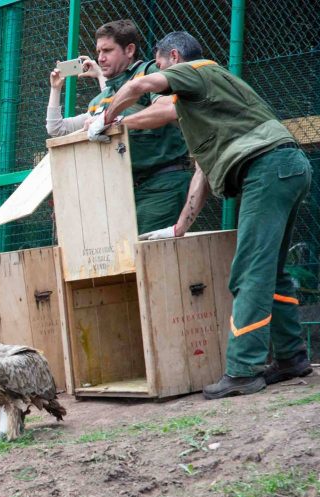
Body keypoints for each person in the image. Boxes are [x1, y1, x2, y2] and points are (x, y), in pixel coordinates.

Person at [100, 31, 313, 399]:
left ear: (172, 57)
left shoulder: (197, 69)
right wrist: (179, 227)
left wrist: (107, 116)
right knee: (272, 271)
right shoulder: (203, 108)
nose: (159, 75)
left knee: (249, 271)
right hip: (285, 169)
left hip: (269, 169)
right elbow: (202, 171)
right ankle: (292, 358)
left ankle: (243, 370)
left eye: (161, 62)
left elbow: (143, 85)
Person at [46, 20, 191, 235]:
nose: (100, 58)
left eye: (107, 50)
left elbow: (168, 108)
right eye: (98, 52)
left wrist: (114, 121)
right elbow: (57, 129)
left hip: (161, 184)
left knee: (149, 258)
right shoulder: (102, 98)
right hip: (121, 190)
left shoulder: (148, 72)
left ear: (129, 50)